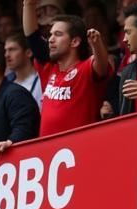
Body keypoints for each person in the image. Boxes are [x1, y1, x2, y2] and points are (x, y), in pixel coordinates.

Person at [21, 6, 113, 135]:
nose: (51, 39)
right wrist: (29, 3)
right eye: (50, 35)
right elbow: (32, 36)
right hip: (47, 151)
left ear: (75, 42)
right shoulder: (48, 68)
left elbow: (102, 65)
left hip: (80, 148)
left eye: (58, 34)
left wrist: (97, 44)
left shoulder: (85, 68)